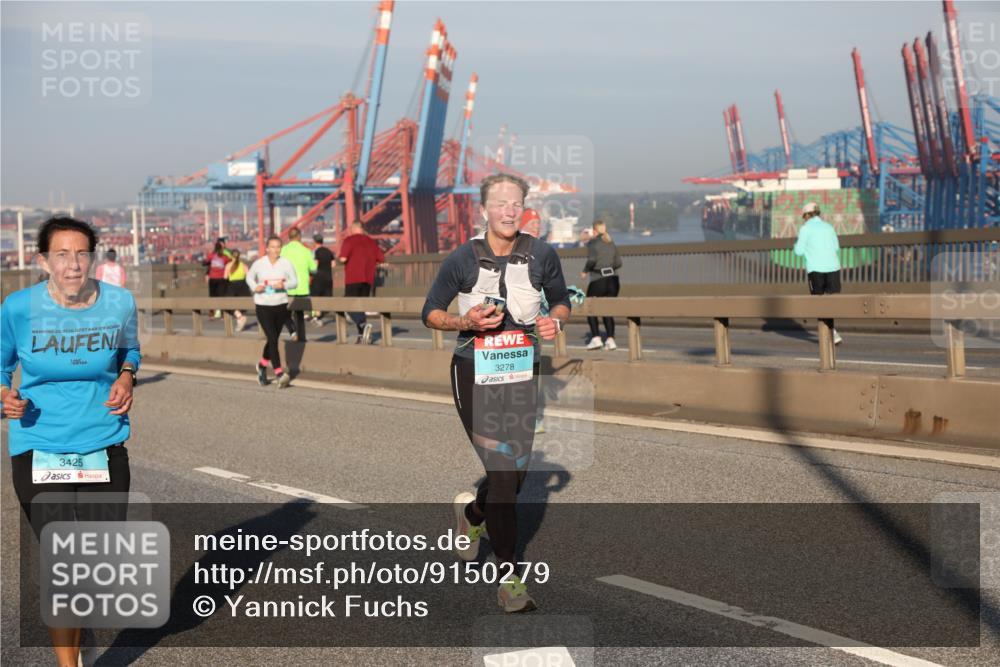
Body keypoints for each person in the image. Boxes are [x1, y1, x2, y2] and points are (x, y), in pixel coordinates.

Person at [423, 174, 571, 613]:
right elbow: (429, 312)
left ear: (524, 209)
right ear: (484, 210)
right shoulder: (462, 259)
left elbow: (562, 300)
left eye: (516, 203)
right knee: (504, 475)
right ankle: (510, 580)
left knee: (517, 478)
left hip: (522, 374)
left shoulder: (543, 254)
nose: (509, 210)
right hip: (473, 375)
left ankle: (472, 516)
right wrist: (464, 323)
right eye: (500, 203)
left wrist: (556, 320)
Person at [1, 216, 139, 667]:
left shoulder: (119, 302)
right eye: (61, 254)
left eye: (81, 253)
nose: (73, 264)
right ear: (43, 260)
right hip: (40, 444)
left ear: (93, 257)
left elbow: (129, 350)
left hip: (102, 443)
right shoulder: (18, 308)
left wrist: (126, 376)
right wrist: (5, 395)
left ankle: (82, 620)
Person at [246, 236, 298, 388]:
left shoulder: (286, 263)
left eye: (278, 247)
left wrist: (284, 285)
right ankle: (279, 373)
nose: (276, 250)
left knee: (272, 340)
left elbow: (295, 282)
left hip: (280, 304)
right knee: (273, 338)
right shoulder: (259, 263)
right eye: (273, 247)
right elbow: (249, 277)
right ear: (267, 248)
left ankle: (262, 366)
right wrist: (255, 287)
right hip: (263, 305)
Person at [794, 202, 843, 345]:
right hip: (833, 267)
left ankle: (831, 333)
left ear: (807, 215)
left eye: (804, 216)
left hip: (816, 269)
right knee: (832, 302)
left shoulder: (806, 228)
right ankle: (832, 331)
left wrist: (796, 246)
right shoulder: (829, 227)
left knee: (818, 303)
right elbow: (836, 247)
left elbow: (799, 251)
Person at [519, 208, 548, 434]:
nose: (536, 227)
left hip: (531, 323)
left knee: (531, 370)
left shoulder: (543, 251)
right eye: (532, 223)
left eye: (538, 223)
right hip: (511, 321)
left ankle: (534, 417)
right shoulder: (515, 248)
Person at [338, 221, 385, 344]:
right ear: (362, 229)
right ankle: (361, 335)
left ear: (353, 228)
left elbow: (343, 258)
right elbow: (381, 258)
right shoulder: (371, 242)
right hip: (368, 279)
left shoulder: (349, 240)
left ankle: (363, 325)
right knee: (360, 307)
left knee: (347, 304)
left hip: (353, 278)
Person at [580, 220, 622, 350]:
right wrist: (608, 267)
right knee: (607, 310)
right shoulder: (611, 242)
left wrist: (585, 271)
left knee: (589, 306)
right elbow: (618, 262)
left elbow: (592, 260)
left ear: (594, 230)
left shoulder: (593, 243)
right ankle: (610, 340)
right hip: (614, 281)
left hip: (599, 280)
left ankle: (596, 338)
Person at [280, 228, 317, 341]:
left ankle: (293, 332)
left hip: (288, 288)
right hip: (302, 288)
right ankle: (301, 338)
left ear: (289, 237)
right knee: (299, 314)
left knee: (283, 313)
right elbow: (314, 269)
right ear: (299, 237)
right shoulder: (306, 251)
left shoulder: (283, 250)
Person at [224, 248, 251, 332]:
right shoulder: (243, 265)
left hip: (232, 286)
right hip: (243, 286)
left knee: (227, 304)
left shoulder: (228, 265)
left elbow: (225, 277)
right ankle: (240, 321)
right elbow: (249, 275)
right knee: (241, 306)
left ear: (231, 256)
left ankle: (240, 318)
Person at [311, 234, 335, 325]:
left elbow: (314, 265)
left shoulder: (316, 252)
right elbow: (333, 265)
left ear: (314, 242)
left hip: (318, 278)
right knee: (326, 297)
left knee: (316, 297)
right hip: (328, 277)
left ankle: (316, 317)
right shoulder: (329, 251)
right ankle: (323, 315)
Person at [204, 239, 231, 319]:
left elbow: (204, 263)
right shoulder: (224, 257)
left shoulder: (211, 256)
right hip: (221, 279)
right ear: (222, 248)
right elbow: (230, 262)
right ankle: (222, 314)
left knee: (212, 296)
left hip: (212, 279)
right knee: (222, 296)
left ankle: (211, 314)